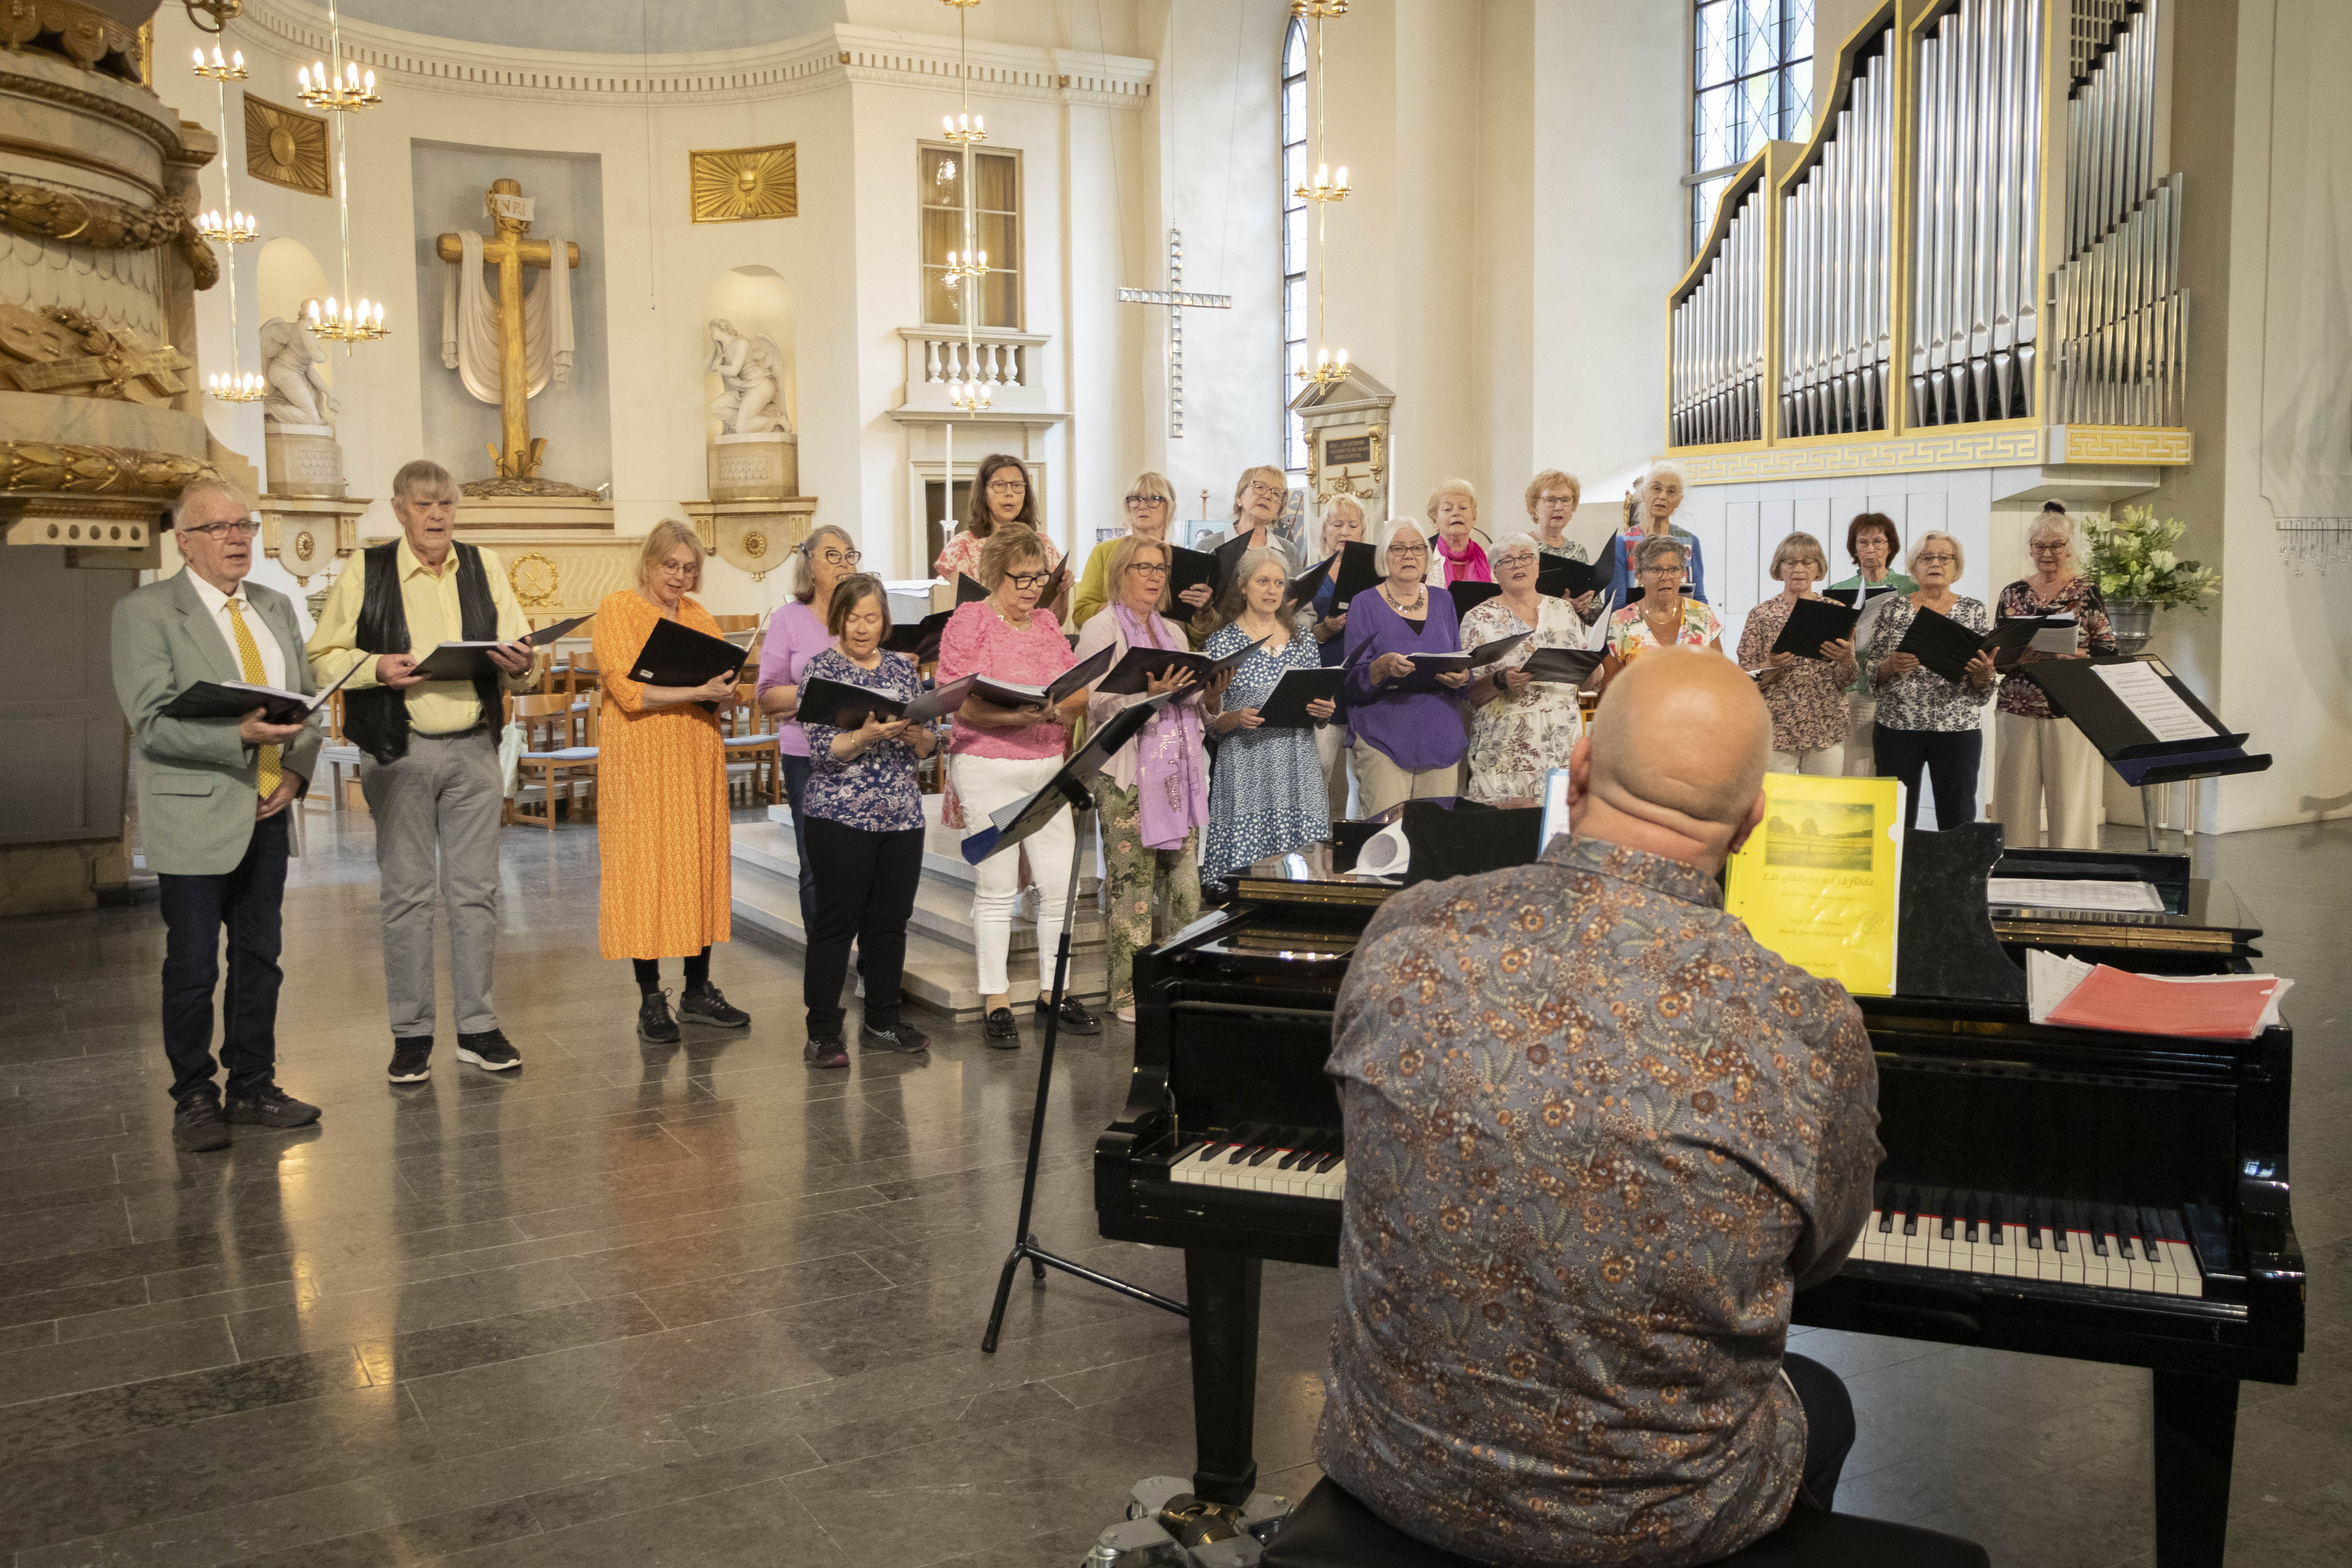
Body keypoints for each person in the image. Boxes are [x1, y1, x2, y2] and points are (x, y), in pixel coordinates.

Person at [1318, 647, 1882, 1566]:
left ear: (1576, 770)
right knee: (1821, 1398)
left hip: (1388, 1461)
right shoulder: (1804, 1024)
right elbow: (1818, 1259)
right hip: (1654, 1520)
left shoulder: (1406, 930)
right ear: (1749, 824)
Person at [306, 459, 536, 1084]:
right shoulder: (369, 568)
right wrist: (376, 667)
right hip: (399, 749)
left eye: (446, 504)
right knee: (407, 895)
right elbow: (322, 654)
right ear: (399, 508)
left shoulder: (483, 564)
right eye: (424, 504)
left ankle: (478, 1027)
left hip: (473, 748)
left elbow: (523, 658)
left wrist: (521, 663)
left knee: (477, 893)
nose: (437, 516)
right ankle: (411, 1034)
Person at [111, 481, 324, 1152]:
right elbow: (150, 723)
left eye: (245, 525)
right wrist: (239, 736)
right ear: (185, 540)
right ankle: (195, 1095)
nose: (237, 538)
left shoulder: (276, 604)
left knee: (261, 957)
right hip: (195, 813)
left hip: (267, 807)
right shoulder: (145, 612)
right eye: (219, 527)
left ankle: (253, 1085)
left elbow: (306, 702)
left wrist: (295, 769)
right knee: (195, 964)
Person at [592, 522, 755, 1044]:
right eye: (671, 566)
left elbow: (719, 685)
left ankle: (697, 990)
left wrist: (727, 691)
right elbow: (625, 689)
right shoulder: (619, 608)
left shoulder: (699, 616)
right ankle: (650, 998)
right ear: (649, 563)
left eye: (689, 568)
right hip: (640, 755)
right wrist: (695, 689)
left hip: (694, 753)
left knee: (697, 862)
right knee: (646, 867)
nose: (680, 577)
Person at [937, 524, 1099, 1046]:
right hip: (986, 765)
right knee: (997, 887)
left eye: (1040, 578)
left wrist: (1047, 710)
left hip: (1047, 764)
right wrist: (1020, 717)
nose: (1033, 588)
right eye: (1022, 578)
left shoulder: (1050, 624)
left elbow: (1079, 694)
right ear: (992, 574)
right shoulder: (969, 621)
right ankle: (997, 998)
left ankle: (1056, 990)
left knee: (1058, 886)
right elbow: (958, 700)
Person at [794, 575, 935, 1067]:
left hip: (900, 815)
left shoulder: (900, 669)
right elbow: (821, 752)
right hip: (839, 815)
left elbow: (926, 747)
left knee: (890, 922)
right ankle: (822, 1033)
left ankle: (882, 1021)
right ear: (839, 619)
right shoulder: (822, 670)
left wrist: (917, 736)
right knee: (837, 923)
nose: (862, 627)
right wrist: (868, 736)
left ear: (884, 621)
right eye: (853, 617)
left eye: (872, 618)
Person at [1074, 534, 1210, 1022]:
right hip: (1127, 774)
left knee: (1184, 887)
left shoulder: (1174, 632)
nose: (1153, 577)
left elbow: (1189, 698)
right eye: (1143, 567)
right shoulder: (1100, 627)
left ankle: (1179, 977)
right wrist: (1145, 695)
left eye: (1160, 568)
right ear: (1120, 574)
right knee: (1131, 888)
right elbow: (1092, 702)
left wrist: (1202, 687)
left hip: (1177, 772)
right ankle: (1127, 992)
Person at [755, 523, 863, 936]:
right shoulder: (789, 619)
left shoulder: (863, 616)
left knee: (862, 860)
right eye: (832, 555)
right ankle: (826, 960)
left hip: (863, 751)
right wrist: (821, 691)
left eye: (850, 555)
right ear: (810, 564)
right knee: (816, 862)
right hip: (808, 756)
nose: (843, 563)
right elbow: (766, 696)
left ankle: (866, 959)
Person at [1204, 547, 1337, 879]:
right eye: (1263, 581)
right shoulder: (1222, 643)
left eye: (1279, 583)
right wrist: (1235, 717)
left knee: (1303, 873)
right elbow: (1209, 723)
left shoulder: (1303, 640)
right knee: (1247, 874)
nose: (1272, 590)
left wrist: (1324, 711)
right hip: (1246, 766)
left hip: (1298, 766)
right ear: (1243, 585)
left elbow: (1316, 707)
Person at [1992, 508, 2117, 849]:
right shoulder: (2012, 594)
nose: (2047, 554)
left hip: (2070, 707)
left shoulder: (2087, 591)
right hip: (2016, 706)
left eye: (2056, 546)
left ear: (2069, 547)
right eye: (2039, 546)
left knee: (2071, 803)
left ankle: (2074, 876)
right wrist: (2018, 655)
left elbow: (2107, 652)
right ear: (2030, 549)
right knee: (2013, 802)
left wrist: (2067, 655)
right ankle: (2015, 870)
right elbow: (1996, 657)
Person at [1867, 530, 1998, 834]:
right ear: (1913, 567)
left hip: (1957, 728)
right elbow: (1872, 669)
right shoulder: (1893, 609)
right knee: (1894, 818)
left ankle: (1956, 880)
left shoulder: (1974, 610)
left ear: (1956, 567)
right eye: (1926, 557)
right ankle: (1898, 880)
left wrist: (1983, 676)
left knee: (1959, 815)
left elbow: (1983, 681)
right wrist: (1889, 665)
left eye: (1944, 557)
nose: (1935, 563)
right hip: (1897, 727)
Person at [1341, 521, 1473, 814]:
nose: (1409, 555)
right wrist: (1382, 666)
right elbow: (1351, 680)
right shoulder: (1364, 603)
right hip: (1384, 734)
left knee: (1433, 842)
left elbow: (1459, 659)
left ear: (1427, 557)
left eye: (1417, 548)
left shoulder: (1443, 600)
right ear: (1383, 557)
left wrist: (1463, 677)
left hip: (1440, 733)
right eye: (1398, 549)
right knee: (1387, 844)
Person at [1459, 533, 1586, 805]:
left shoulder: (1564, 611)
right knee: (1505, 834)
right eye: (1507, 561)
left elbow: (1587, 683)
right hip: (1504, 748)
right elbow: (1469, 695)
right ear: (1495, 573)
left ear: (1538, 566)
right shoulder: (1478, 619)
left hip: (1562, 741)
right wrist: (1501, 680)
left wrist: (1593, 663)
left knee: (1557, 831)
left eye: (1526, 558)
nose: (1518, 566)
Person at [1737, 531, 1859, 775]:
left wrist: (1846, 660)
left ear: (1818, 568)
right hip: (1778, 727)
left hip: (1826, 724)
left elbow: (1848, 679)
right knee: (1776, 807)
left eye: (1808, 562)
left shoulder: (1836, 612)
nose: (1799, 569)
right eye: (1790, 562)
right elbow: (1745, 681)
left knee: (1823, 806)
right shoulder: (1762, 614)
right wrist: (1770, 665)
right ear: (1779, 568)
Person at [1070, 470, 1216, 632]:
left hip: (1175, 652)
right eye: (1135, 499)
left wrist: (1203, 612)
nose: (1142, 505)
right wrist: (1126, 607)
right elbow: (1081, 615)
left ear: (1171, 507)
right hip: (1119, 647)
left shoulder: (1185, 559)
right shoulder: (1104, 552)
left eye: (1154, 499)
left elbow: (1196, 640)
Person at [1826, 513, 1915, 777]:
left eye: (1878, 541)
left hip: (1898, 686)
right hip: (1855, 685)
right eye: (1863, 542)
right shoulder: (1840, 589)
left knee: (1891, 770)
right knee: (1855, 767)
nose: (1871, 549)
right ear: (1855, 548)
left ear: (1891, 546)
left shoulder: (1909, 586)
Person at [1302, 494, 1365, 820]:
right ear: (1324, 531)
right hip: (1325, 680)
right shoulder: (1310, 577)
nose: (1345, 531)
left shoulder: (1376, 577)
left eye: (1353, 525)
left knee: (1362, 772)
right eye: (1337, 524)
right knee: (1321, 766)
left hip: (1364, 681)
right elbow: (1296, 637)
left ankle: (1357, 849)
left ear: (1363, 531)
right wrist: (1323, 630)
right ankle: (1311, 846)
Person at [1596, 534, 1723, 691]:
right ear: (1639, 576)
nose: (1666, 577)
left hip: (1697, 712)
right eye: (1656, 570)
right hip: (1642, 713)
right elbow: (1611, 687)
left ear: (1682, 574)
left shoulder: (1703, 615)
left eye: (1674, 569)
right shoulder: (1621, 621)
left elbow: (1720, 675)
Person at [935, 452, 1061, 586]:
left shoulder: (1043, 543)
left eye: (1017, 485)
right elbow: (964, 605)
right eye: (1000, 485)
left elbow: (1055, 604)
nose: (1009, 493)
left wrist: (1064, 585)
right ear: (983, 492)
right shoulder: (963, 546)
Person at [1608, 459, 1708, 605]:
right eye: (1656, 489)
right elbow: (1616, 602)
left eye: (1671, 491)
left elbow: (1699, 599)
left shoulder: (1690, 542)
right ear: (1644, 494)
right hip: (1634, 624)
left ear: (1679, 501)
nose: (1663, 496)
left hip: (1681, 625)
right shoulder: (1622, 544)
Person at [1524, 468, 1601, 623]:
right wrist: (1561, 607)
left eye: (1565, 500)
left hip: (1574, 644)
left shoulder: (1578, 551)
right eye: (1551, 500)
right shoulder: (1522, 548)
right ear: (1535, 506)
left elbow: (1596, 615)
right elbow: (1512, 605)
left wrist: (1584, 608)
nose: (1559, 507)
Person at [1225, 464, 1297, 570]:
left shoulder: (1289, 551)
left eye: (1276, 494)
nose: (1267, 496)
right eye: (1260, 487)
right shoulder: (1211, 546)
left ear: (1279, 511)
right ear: (1239, 497)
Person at [1426, 478, 1491, 586]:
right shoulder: (1424, 560)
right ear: (1435, 520)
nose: (1456, 513)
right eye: (1448, 509)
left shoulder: (1490, 561)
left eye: (1463, 508)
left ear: (1474, 518)